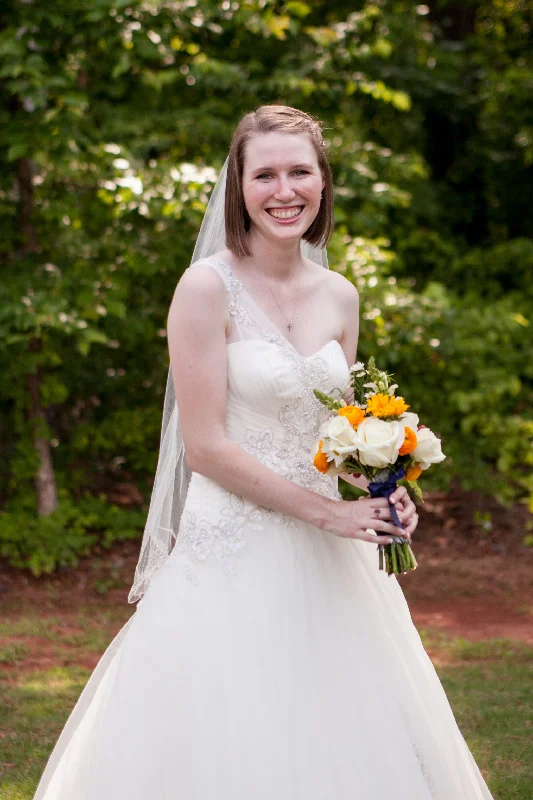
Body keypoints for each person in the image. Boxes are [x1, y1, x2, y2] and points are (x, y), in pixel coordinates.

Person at [33, 105, 494, 799]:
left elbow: (331, 432)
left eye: (299, 172)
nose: (284, 191)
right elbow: (207, 446)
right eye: (265, 174)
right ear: (239, 186)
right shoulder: (204, 288)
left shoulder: (340, 295)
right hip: (232, 548)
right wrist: (326, 514)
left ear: (322, 181)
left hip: (331, 561)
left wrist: (379, 487)